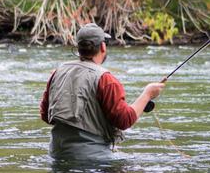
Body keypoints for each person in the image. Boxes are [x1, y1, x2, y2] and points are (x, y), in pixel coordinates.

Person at [40, 23, 165, 162]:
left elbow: (46, 116)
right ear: (103, 47)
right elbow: (124, 120)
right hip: (92, 160)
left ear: (79, 48)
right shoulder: (106, 79)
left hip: (57, 155)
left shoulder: (58, 73)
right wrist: (147, 94)